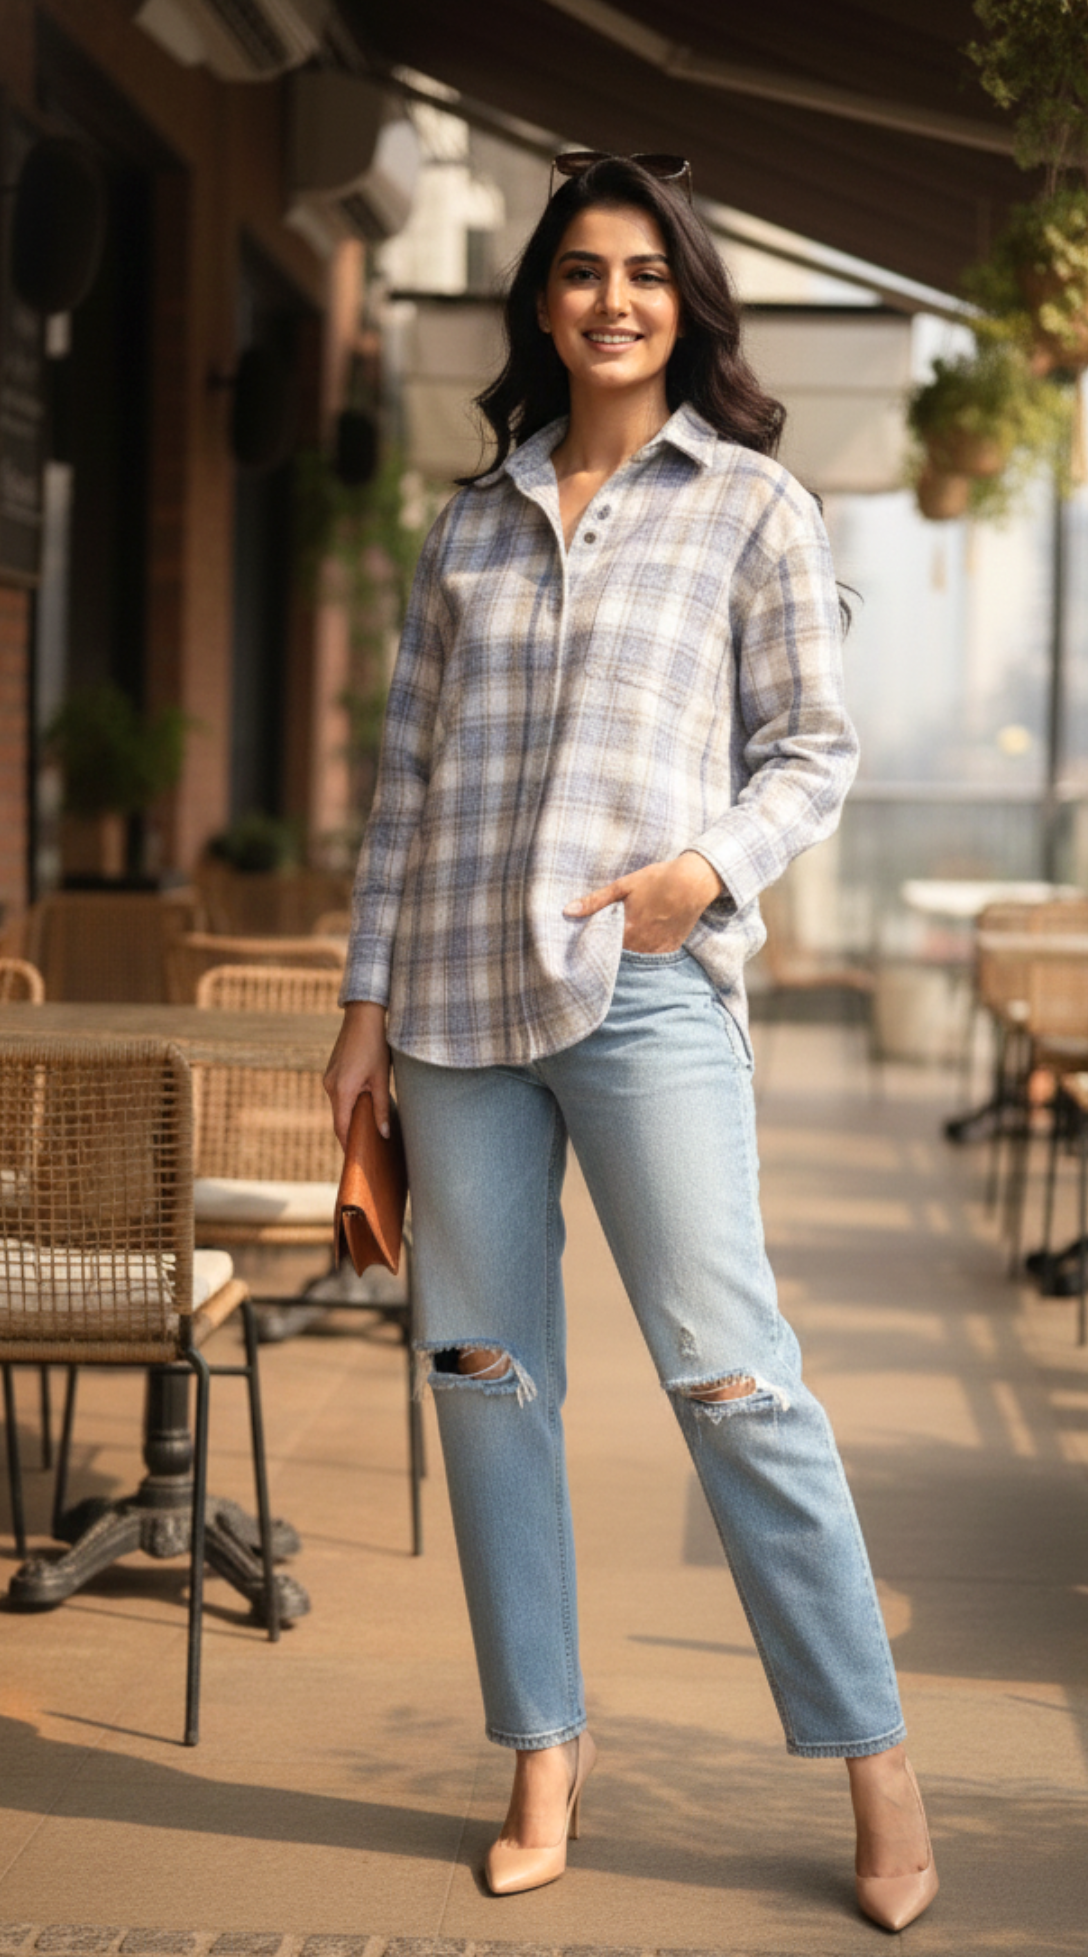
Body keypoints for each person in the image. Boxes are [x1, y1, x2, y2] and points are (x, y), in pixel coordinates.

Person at [324, 152, 937, 1934]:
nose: (614, 299)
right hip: (452, 1006)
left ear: (687, 303)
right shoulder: (469, 525)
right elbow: (406, 784)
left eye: (648, 273)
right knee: (484, 1382)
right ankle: (542, 1750)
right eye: (585, 270)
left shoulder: (752, 507)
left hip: (647, 986)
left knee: (733, 1376)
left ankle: (874, 1754)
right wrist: (361, 1013)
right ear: (542, 299)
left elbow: (813, 754)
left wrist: (700, 875)